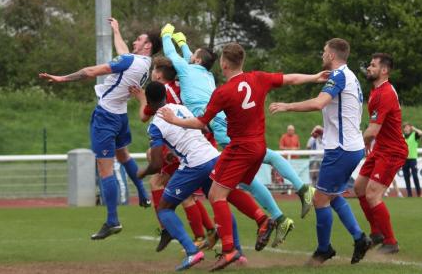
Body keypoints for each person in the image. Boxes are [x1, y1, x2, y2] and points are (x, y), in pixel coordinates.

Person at [160, 42, 328, 270]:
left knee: (217, 195)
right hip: (258, 148)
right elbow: (289, 78)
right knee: (234, 188)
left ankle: (230, 249)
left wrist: (174, 120)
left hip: (239, 149)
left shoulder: (223, 92)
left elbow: (200, 122)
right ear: (242, 61)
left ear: (224, 63)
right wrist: (315, 77)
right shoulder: (258, 78)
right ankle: (266, 219)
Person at [39, 18, 161, 240]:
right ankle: (143, 194)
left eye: (140, 39)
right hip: (120, 114)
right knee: (123, 155)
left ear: (148, 45)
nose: (135, 40)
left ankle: (113, 220)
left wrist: (62, 78)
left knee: (105, 169)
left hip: (106, 117)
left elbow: (92, 71)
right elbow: (124, 51)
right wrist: (116, 31)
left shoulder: (129, 61)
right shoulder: (145, 64)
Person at [269, 38, 372, 265]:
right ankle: (359, 238)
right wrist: (325, 130)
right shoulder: (351, 76)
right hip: (349, 147)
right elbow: (346, 113)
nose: (322, 55)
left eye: (324, 51)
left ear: (332, 55)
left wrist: (287, 106)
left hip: (342, 149)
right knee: (332, 196)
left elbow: (318, 103)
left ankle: (324, 250)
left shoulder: (338, 76)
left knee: (319, 199)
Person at [138, 81, 243, 271]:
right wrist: (176, 148)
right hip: (212, 156)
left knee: (164, 208)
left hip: (195, 163)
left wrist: (142, 173)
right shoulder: (181, 108)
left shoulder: (155, 125)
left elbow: (156, 164)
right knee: (219, 201)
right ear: (165, 96)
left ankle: (192, 251)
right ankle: (237, 251)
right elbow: (202, 128)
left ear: (149, 102)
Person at [129, 56, 217, 252]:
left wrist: (141, 97)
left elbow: (145, 115)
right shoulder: (181, 87)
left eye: (153, 69)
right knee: (213, 196)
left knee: (166, 190)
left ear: (159, 74)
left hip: (188, 151)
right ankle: (220, 236)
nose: (152, 72)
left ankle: (192, 237)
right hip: (201, 143)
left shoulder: (165, 91)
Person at [352, 53, 408, 255]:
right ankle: (377, 233)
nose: (368, 67)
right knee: (359, 188)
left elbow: (373, 130)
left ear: (384, 70)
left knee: (373, 194)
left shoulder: (385, 94)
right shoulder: (375, 92)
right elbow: (373, 129)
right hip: (380, 149)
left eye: (373, 65)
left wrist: (353, 143)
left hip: (392, 151)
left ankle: (391, 242)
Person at [402, 123, 422, 197]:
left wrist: (414, 128)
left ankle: (419, 193)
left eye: (408, 127)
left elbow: (421, 133)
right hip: (404, 159)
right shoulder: (402, 137)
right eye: (405, 127)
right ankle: (409, 194)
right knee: (406, 177)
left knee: (415, 176)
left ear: (410, 128)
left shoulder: (414, 135)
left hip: (412, 159)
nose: (406, 128)